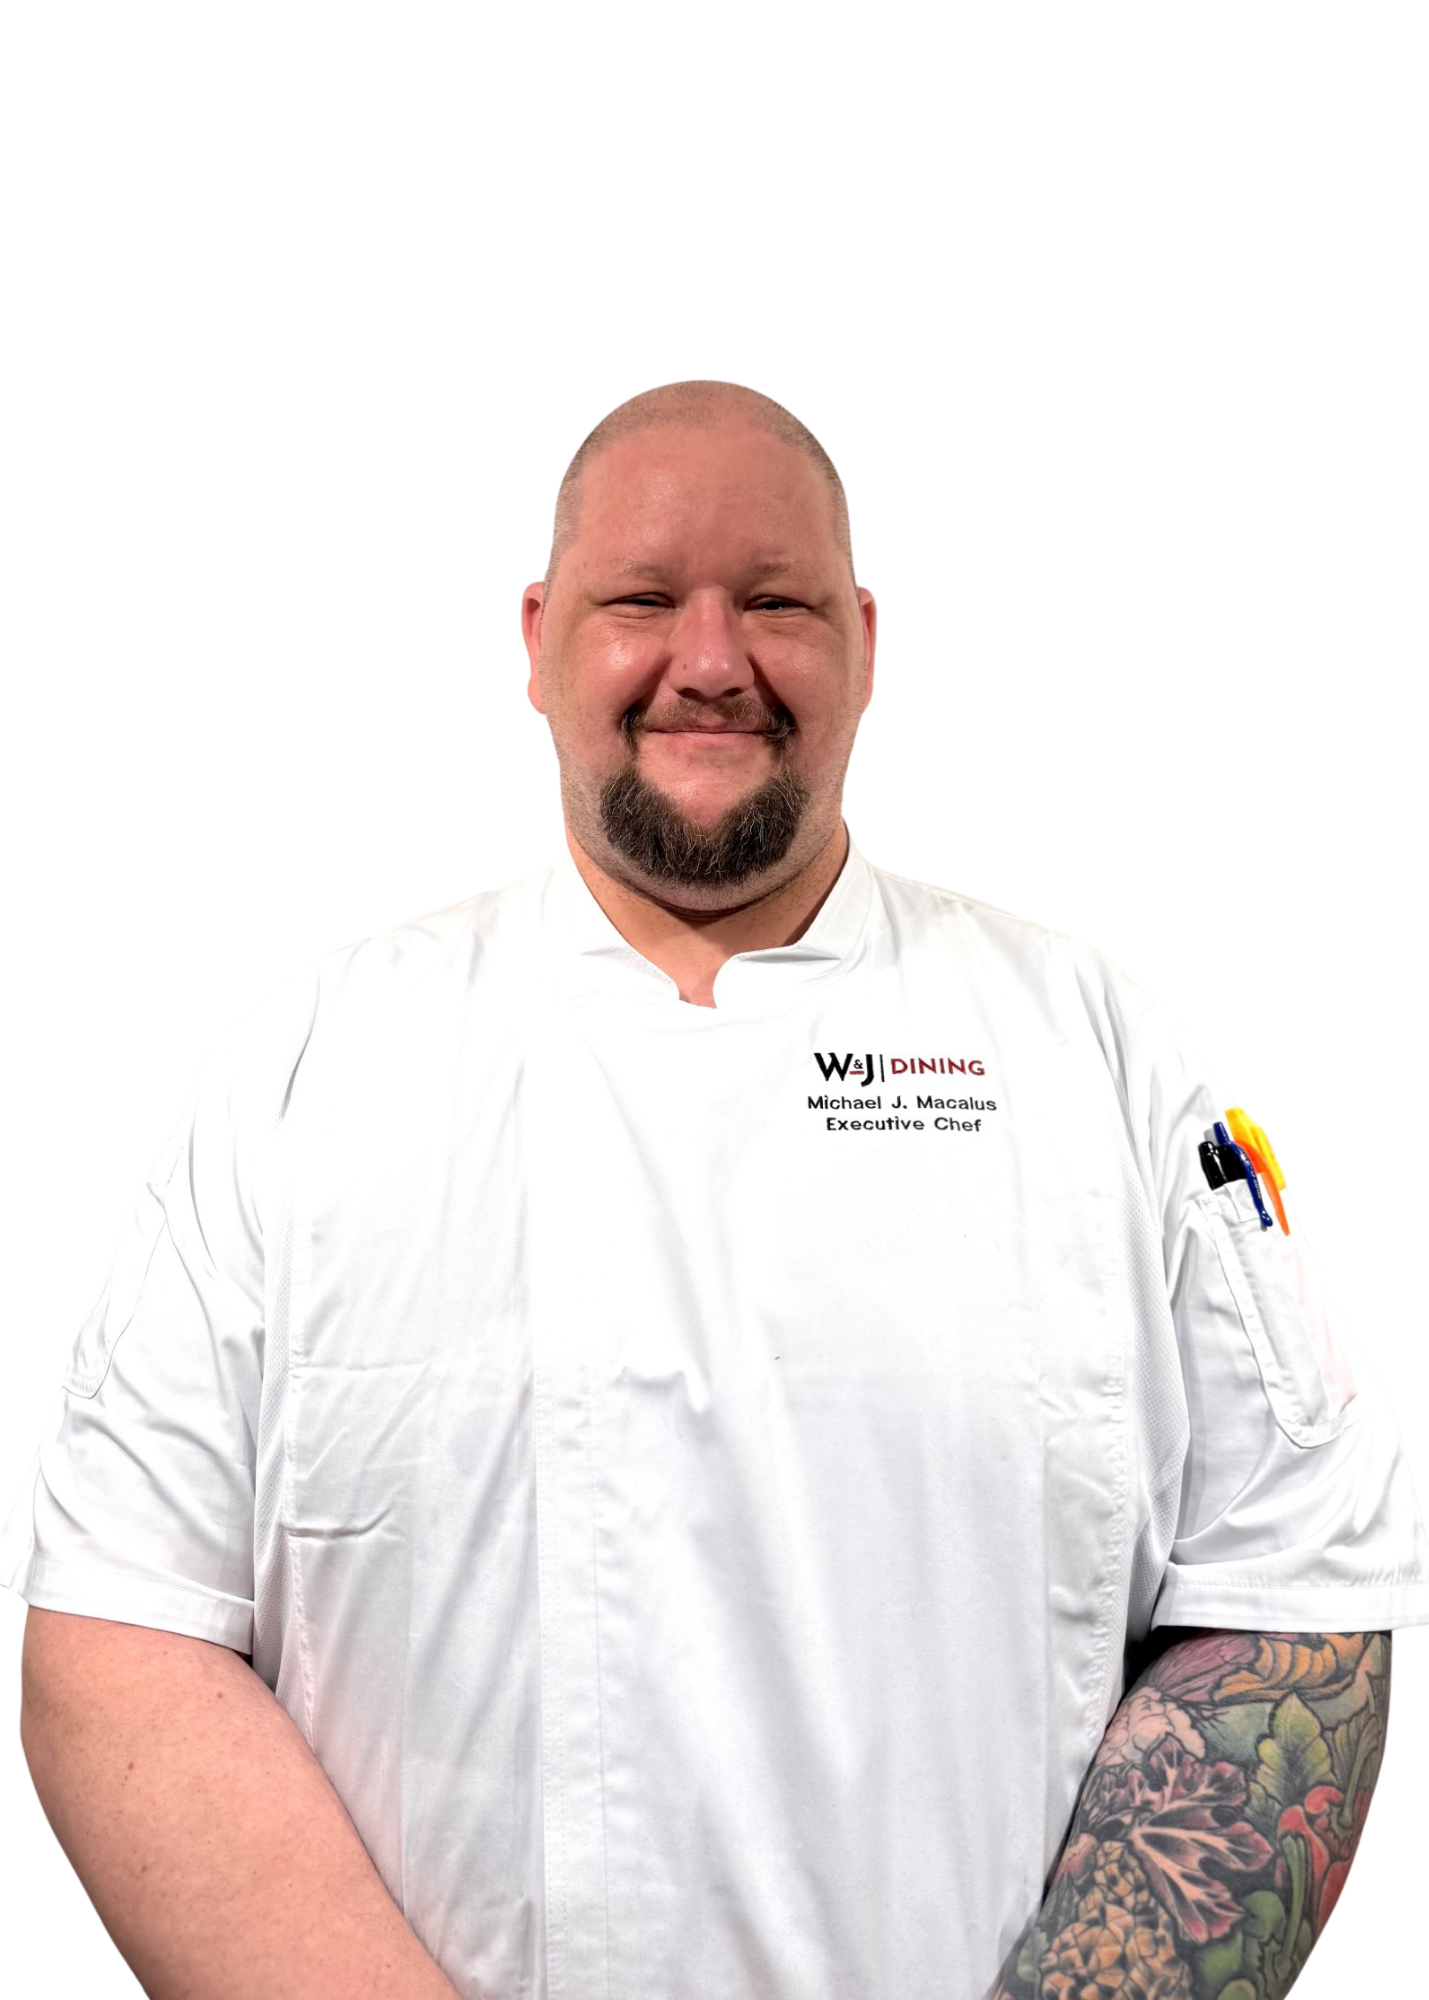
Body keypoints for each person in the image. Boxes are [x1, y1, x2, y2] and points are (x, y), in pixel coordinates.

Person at [4, 377, 1425, 2000]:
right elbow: (120, 1629)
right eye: (640, 600)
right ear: (536, 639)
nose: (709, 659)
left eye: (776, 602)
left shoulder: (1098, 1050)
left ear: (868, 642)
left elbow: (1299, 1595)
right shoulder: (306, 1068)